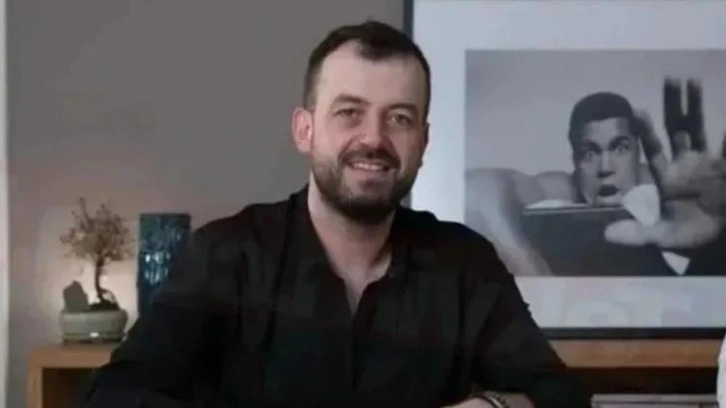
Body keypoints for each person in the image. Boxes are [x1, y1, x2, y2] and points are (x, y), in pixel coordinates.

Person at [80, 20, 592, 408]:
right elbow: (116, 395)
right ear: (305, 131)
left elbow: (561, 396)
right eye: (350, 113)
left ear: (422, 142)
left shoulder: (465, 264)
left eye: (400, 118)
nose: (374, 138)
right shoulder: (226, 255)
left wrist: (494, 407)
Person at [466, 83, 726, 276]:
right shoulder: (565, 187)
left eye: (620, 148)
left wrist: (716, 242)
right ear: (574, 159)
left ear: (637, 152)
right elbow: (477, 190)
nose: (605, 168)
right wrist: (526, 265)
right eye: (589, 153)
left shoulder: (674, 189)